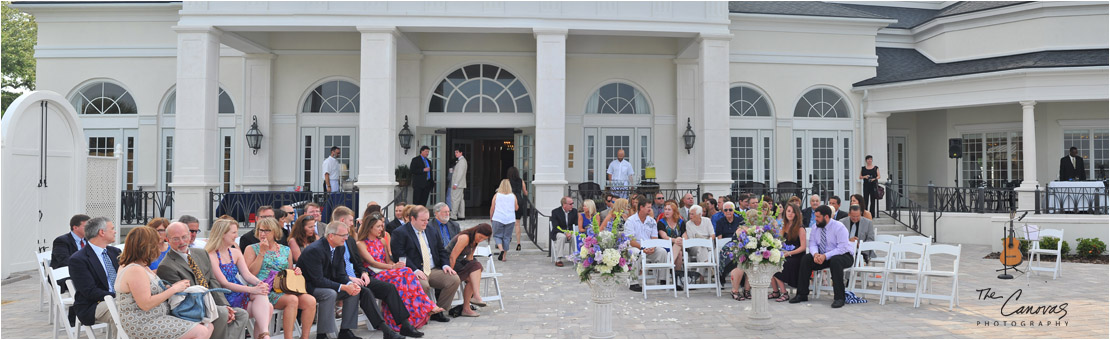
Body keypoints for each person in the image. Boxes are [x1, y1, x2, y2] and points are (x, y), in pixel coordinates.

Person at [299, 222, 416, 339]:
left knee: (355, 290)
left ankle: (345, 331)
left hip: (328, 283)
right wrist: (344, 286)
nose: (346, 238)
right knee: (330, 293)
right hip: (310, 286)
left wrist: (350, 284)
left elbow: (340, 274)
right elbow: (317, 280)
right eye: (343, 235)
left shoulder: (340, 247)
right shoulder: (315, 250)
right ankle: (322, 334)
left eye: (347, 235)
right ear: (331, 236)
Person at [115, 226, 213, 339]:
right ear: (147, 247)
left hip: (157, 317)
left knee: (208, 325)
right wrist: (173, 289)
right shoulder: (134, 270)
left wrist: (170, 287)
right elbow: (145, 304)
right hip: (143, 323)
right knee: (200, 332)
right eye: (156, 244)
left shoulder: (141, 266)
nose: (159, 247)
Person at [158, 222, 250, 339]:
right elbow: (185, 297)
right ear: (167, 240)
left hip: (211, 303)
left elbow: (212, 281)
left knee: (241, 314)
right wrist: (218, 308)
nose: (181, 242)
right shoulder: (166, 266)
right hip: (191, 307)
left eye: (184, 237)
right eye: (176, 239)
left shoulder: (201, 253)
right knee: (222, 313)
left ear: (189, 236)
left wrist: (224, 305)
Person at [355, 213, 442, 331]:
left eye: (382, 226)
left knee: (404, 276)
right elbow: (372, 262)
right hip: (374, 274)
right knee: (405, 273)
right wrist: (392, 267)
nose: (381, 229)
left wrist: (395, 265)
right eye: (378, 227)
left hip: (386, 271)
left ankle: (411, 317)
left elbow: (388, 260)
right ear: (370, 227)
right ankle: (426, 305)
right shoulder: (361, 244)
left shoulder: (382, 241)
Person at [243, 217, 317, 339]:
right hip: (262, 290)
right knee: (292, 300)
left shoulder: (285, 250)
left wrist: (294, 271)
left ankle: (305, 337)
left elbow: (287, 272)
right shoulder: (251, 248)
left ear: (275, 232)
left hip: (282, 287)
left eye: (267, 231)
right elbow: (249, 274)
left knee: (310, 301)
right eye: (261, 230)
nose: (263, 233)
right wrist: (262, 253)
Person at [390, 205, 461, 321]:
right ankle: (421, 314)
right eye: (423, 220)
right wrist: (415, 270)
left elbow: (441, 250)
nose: (426, 223)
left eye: (427, 220)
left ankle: (438, 310)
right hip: (414, 270)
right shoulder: (400, 233)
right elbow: (400, 255)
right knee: (423, 285)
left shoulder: (431, 230)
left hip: (433, 269)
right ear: (413, 219)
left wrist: (445, 265)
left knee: (454, 279)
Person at [206, 219, 274, 338]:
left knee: (263, 295)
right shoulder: (211, 255)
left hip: (239, 291)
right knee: (267, 306)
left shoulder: (235, 252)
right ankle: (264, 335)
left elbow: (247, 275)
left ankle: (264, 335)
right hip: (225, 295)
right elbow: (224, 283)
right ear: (222, 234)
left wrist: (259, 283)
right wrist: (252, 290)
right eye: (233, 233)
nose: (236, 236)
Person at [791, 205, 854, 308]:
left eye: (818, 217)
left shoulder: (839, 227)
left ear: (826, 217)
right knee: (806, 259)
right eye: (815, 216)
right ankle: (801, 294)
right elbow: (812, 244)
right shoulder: (816, 227)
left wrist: (825, 256)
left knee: (835, 261)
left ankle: (839, 298)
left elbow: (842, 248)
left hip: (843, 256)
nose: (815, 219)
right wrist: (816, 254)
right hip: (823, 255)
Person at [66, 217, 120, 328]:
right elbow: (90, 291)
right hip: (93, 304)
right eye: (112, 229)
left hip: (118, 299)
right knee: (124, 312)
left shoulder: (115, 252)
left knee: (140, 307)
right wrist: (118, 296)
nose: (115, 231)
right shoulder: (79, 259)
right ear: (101, 232)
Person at [446, 224, 493, 317]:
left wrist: (473, 272)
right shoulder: (465, 237)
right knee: (476, 267)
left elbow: (469, 258)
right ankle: (476, 297)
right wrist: (450, 273)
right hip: (448, 263)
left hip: (459, 263)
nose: (480, 240)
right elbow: (452, 257)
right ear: (476, 231)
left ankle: (467, 308)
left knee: (474, 273)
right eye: (480, 237)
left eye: (483, 239)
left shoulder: (475, 240)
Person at [624, 199, 664, 292]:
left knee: (662, 252)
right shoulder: (631, 221)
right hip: (635, 246)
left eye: (650, 207)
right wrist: (642, 248)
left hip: (649, 247)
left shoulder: (652, 221)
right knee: (636, 253)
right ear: (641, 207)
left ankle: (662, 279)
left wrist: (652, 247)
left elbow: (654, 237)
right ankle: (634, 282)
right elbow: (630, 240)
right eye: (648, 207)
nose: (650, 209)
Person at [771, 204, 806, 302]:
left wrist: (789, 253)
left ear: (797, 214)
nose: (790, 214)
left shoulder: (800, 228)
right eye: (788, 211)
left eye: (793, 212)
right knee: (770, 261)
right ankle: (776, 291)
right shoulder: (783, 226)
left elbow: (803, 247)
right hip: (785, 253)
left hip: (796, 256)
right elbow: (780, 242)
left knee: (779, 264)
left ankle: (784, 293)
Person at [51, 214, 91, 292]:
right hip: (66, 275)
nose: (90, 229)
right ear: (75, 227)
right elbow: (64, 261)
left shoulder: (89, 240)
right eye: (86, 227)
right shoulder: (61, 241)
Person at [490, 179, 518, 261]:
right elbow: (516, 208)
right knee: (507, 237)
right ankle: (504, 256)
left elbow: (492, 208)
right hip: (510, 219)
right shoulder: (513, 196)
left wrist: (491, 217)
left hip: (498, 218)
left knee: (497, 235)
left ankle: (501, 249)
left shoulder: (496, 195)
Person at [657, 201, 685, 278]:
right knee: (679, 254)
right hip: (666, 245)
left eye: (669, 209)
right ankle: (677, 277)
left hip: (680, 244)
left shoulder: (681, 222)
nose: (666, 211)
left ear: (674, 211)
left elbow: (685, 235)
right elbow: (664, 236)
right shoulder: (661, 222)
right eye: (665, 209)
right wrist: (675, 240)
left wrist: (680, 240)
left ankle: (670, 264)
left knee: (679, 240)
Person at [549, 196, 579, 267]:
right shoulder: (555, 212)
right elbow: (555, 226)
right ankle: (558, 259)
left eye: (572, 203)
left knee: (575, 236)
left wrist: (570, 232)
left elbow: (575, 224)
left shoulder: (574, 211)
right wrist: (565, 233)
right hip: (558, 232)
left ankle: (577, 256)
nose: (572, 205)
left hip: (570, 232)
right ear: (564, 205)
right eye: (570, 204)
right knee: (561, 237)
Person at [507, 166, 528, 252]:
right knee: (517, 223)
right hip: (519, 200)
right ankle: (518, 244)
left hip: (510, 200)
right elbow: (525, 192)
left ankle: (508, 238)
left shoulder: (507, 181)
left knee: (508, 222)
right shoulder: (521, 181)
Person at [449, 148, 468, 220]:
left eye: (457, 152)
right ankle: (461, 215)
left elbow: (460, 174)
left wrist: (456, 183)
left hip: (458, 184)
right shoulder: (460, 161)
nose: (455, 154)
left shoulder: (462, 161)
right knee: (460, 200)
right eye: (455, 152)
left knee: (455, 199)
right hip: (460, 184)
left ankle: (453, 215)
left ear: (461, 153)